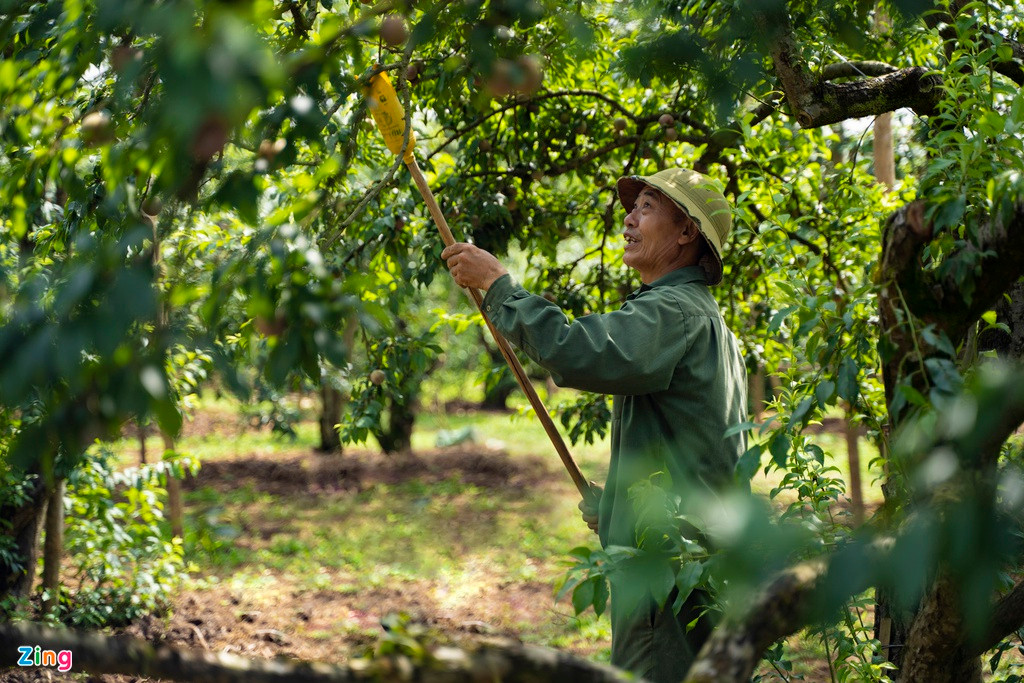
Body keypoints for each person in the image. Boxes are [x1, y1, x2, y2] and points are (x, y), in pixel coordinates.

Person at [441, 168, 748, 682]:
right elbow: (697, 453)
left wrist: (499, 288)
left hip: (668, 570)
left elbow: (579, 352)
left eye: (647, 208)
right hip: (696, 558)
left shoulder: (674, 311)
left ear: (687, 233)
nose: (628, 218)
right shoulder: (701, 315)